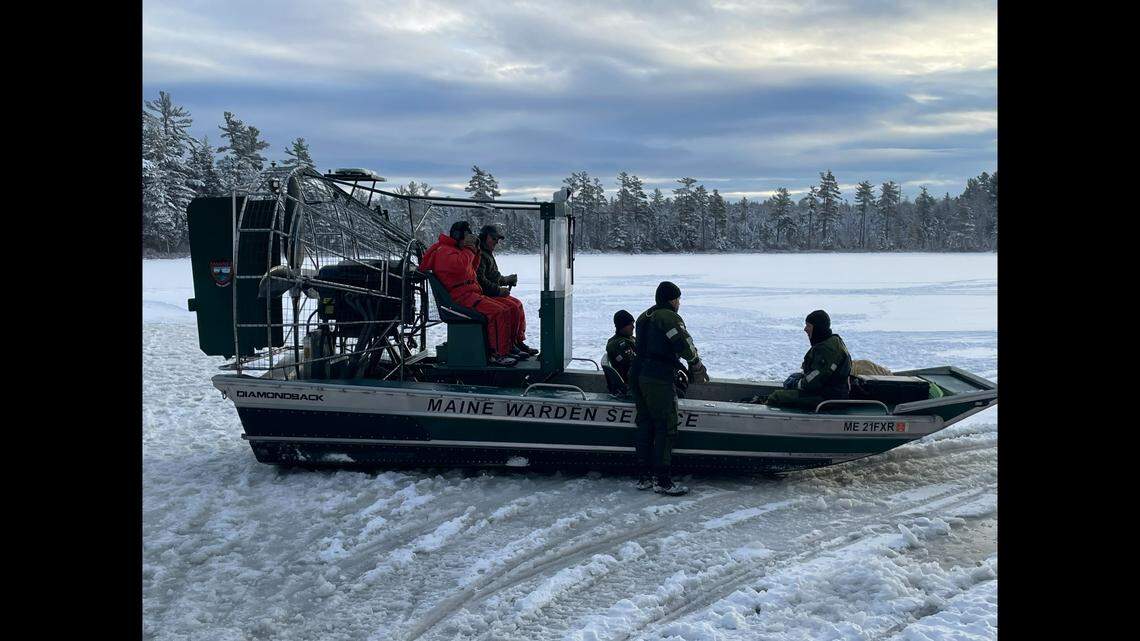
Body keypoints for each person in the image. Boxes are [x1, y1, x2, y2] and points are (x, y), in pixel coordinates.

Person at [629, 281, 710, 496]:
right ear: (672, 299)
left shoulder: (644, 316)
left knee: (645, 424)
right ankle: (662, 480)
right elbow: (684, 343)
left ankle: (644, 476)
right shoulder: (668, 317)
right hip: (656, 377)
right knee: (666, 426)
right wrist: (696, 365)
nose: (679, 303)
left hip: (638, 374)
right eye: (678, 299)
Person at [419, 221, 523, 366]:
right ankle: (498, 354)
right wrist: (470, 250)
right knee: (498, 312)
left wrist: (476, 251)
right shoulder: (444, 251)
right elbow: (460, 266)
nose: (469, 241)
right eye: (467, 237)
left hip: (469, 295)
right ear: (458, 236)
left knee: (508, 308)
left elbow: (471, 268)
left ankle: (508, 346)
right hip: (459, 299)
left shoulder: (456, 250)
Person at [766, 310, 852, 410]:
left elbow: (814, 381)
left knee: (777, 397)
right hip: (827, 392)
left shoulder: (828, 350)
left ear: (818, 328)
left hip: (827, 397)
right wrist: (800, 377)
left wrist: (796, 383)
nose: (805, 329)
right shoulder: (830, 342)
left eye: (808, 326)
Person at [475, 225, 538, 356]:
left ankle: (517, 342)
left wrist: (506, 280)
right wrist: (498, 291)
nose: (496, 242)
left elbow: (493, 277)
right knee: (509, 309)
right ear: (484, 237)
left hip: (490, 292)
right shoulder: (479, 255)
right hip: (485, 294)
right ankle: (505, 347)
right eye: (493, 238)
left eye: (497, 240)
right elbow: (481, 281)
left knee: (517, 305)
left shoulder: (487, 254)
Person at [605, 309, 637, 385]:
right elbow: (630, 365)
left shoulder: (629, 339)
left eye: (633, 324)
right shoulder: (618, 345)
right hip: (632, 383)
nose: (633, 327)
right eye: (630, 324)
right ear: (622, 326)